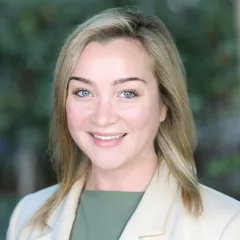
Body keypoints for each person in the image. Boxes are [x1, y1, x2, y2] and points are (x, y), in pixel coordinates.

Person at [6, 7, 240, 240]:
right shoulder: (26, 217)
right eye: (84, 92)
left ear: (164, 104)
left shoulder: (226, 225)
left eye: (127, 93)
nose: (102, 117)